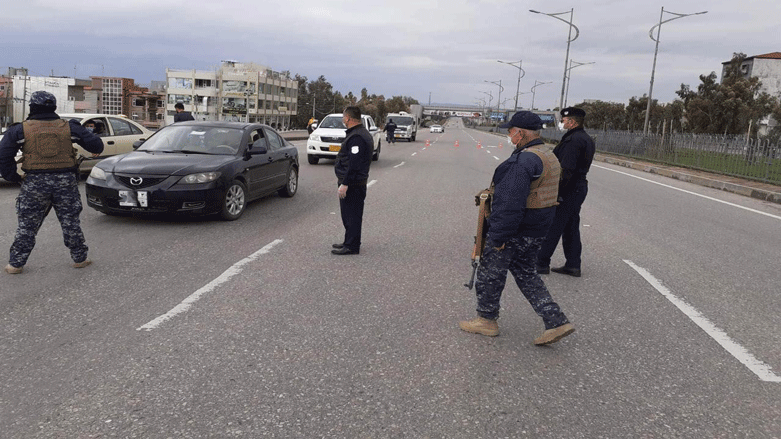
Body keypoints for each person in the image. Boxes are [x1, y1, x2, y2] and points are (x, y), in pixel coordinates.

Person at [459, 111, 574, 345]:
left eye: (511, 131)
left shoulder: (523, 161)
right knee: (526, 274)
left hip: (516, 230)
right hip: (537, 229)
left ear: (520, 133)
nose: (510, 135)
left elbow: (509, 204)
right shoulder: (547, 155)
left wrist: (498, 236)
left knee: (490, 274)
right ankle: (556, 320)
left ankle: (486, 320)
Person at [0, 91, 104, 274]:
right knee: (70, 222)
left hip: (34, 183)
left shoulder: (20, 129)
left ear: (32, 107)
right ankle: (80, 259)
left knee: (27, 224)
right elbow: (97, 146)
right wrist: (81, 130)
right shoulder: (69, 127)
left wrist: (13, 177)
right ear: (54, 107)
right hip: (66, 182)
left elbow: (4, 154)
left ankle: (15, 264)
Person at [536, 107, 596, 277]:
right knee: (570, 227)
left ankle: (541, 263)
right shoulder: (584, 138)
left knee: (554, 225)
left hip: (569, 189)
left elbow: (567, 170)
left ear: (572, 122)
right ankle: (573, 265)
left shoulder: (574, 141)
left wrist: (557, 192)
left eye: (563, 121)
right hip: (578, 188)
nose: (562, 123)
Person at [332, 106, 373, 256]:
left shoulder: (357, 137)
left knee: (352, 216)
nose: (343, 120)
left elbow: (354, 164)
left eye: (344, 118)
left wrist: (345, 183)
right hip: (354, 183)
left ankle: (352, 246)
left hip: (353, 184)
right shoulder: (358, 134)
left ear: (348, 118)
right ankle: (349, 241)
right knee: (349, 215)